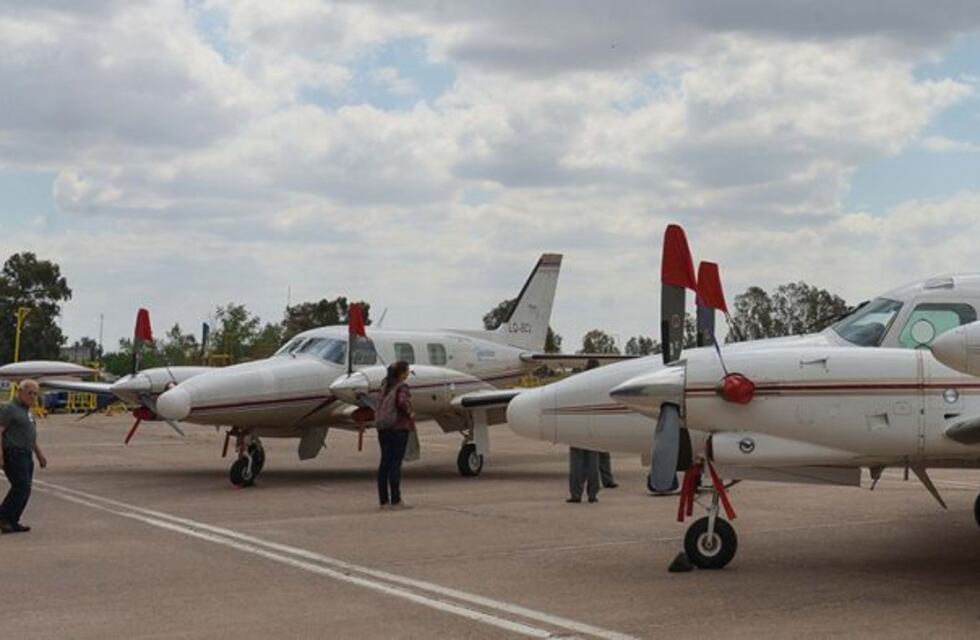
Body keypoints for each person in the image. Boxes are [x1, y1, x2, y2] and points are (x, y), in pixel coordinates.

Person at [0, 379, 47, 534]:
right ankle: (4, 517)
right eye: (29, 393)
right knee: (21, 486)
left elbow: (30, 436)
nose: (32, 397)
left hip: (26, 454)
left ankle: (13, 520)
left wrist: (39, 455)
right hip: (13, 453)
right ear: (20, 392)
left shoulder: (28, 411)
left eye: (35, 394)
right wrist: (1, 456)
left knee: (25, 489)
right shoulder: (9, 409)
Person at [376, 361, 415, 510]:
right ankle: (396, 500)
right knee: (395, 464)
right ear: (401, 373)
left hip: (383, 428)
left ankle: (383, 501)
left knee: (384, 463)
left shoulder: (384, 386)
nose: (407, 374)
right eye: (406, 371)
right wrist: (410, 412)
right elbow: (402, 402)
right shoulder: (402, 387)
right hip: (398, 429)